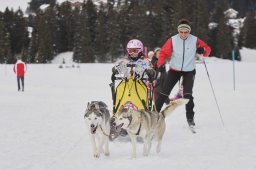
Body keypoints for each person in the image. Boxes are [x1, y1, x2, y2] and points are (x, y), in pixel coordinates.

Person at [155, 19, 211, 127]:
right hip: (174, 70)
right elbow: (164, 53)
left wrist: (203, 51)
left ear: (189, 32)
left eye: (186, 32)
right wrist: (161, 64)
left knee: (187, 95)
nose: (184, 34)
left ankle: (190, 118)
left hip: (189, 71)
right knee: (164, 93)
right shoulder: (172, 40)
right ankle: (153, 116)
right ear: (178, 31)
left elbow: (207, 49)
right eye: (181, 32)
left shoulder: (195, 40)